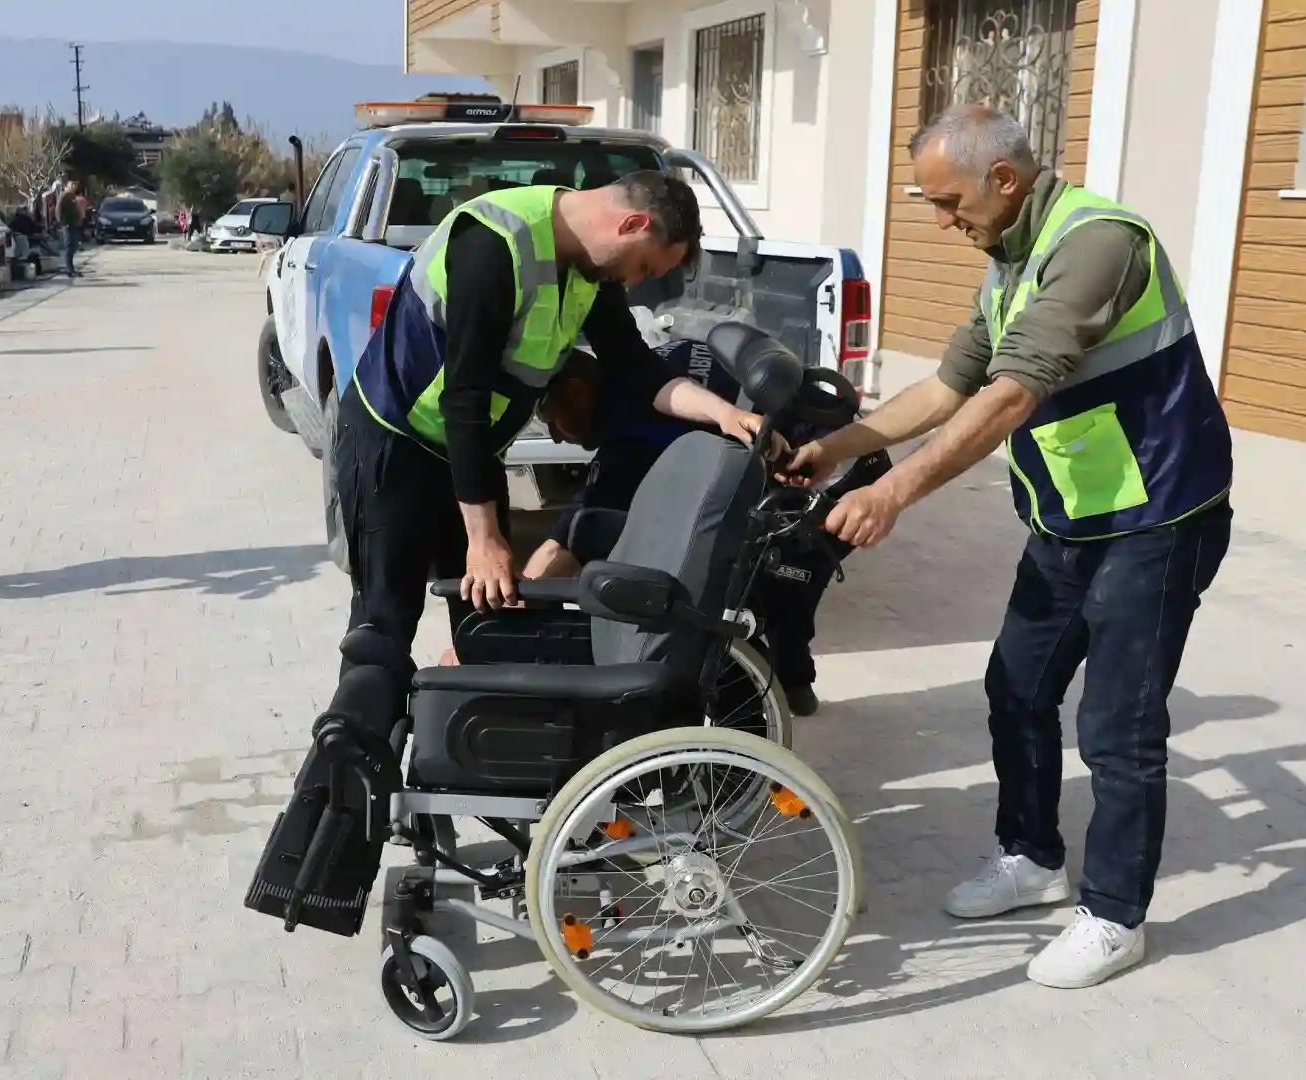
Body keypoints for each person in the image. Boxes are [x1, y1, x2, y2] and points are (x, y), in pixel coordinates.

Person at [784, 104, 1234, 989]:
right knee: (1017, 688)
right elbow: (949, 386)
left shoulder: (1098, 242)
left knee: (1119, 726)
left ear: (1003, 178)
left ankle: (1115, 915)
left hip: (1158, 516)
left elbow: (1011, 394)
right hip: (1073, 512)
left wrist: (893, 491)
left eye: (948, 201)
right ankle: (1031, 858)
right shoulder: (1010, 258)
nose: (942, 221)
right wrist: (835, 448)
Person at [337, 172, 775, 677]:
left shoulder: (591, 271)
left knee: (490, 616)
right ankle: (362, 726)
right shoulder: (493, 245)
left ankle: (468, 722)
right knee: (384, 622)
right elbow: (465, 397)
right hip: (394, 444)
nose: (634, 282)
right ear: (632, 224)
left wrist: (727, 415)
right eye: (643, 266)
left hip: (472, 452)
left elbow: (637, 370)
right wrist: (482, 538)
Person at [512, 338, 890, 716]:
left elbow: (568, 540)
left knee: (771, 579)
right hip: (823, 441)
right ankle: (784, 685)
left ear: (578, 392)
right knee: (748, 567)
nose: (556, 436)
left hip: (845, 468)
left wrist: (517, 607)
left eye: (551, 419)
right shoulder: (646, 374)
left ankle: (784, 691)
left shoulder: (636, 428)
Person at [56, 180, 83, 278]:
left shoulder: (72, 196)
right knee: (69, 246)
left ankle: (71, 268)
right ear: (66, 186)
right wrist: (63, 223)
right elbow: (58, 210)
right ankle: (69, 269)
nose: (74, 186)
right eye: (72, 185)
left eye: (75, 185)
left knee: (74, 246)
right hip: (67, 225)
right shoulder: (64, 196)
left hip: (73, 224)